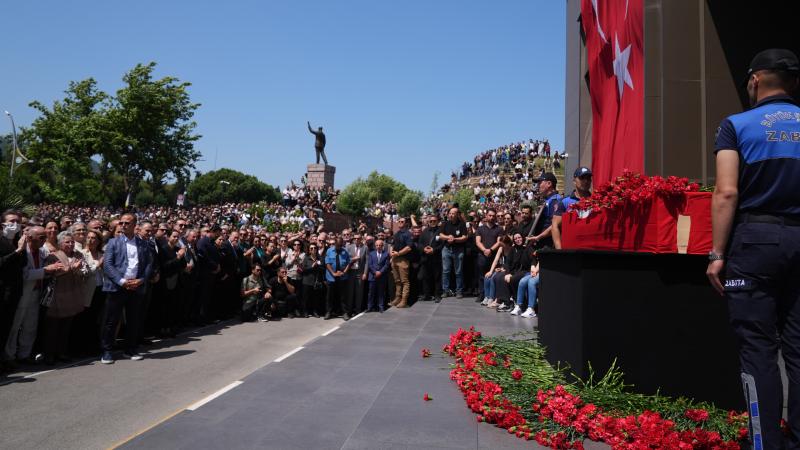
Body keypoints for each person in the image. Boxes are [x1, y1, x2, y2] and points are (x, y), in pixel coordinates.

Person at [706, 48, 800, 450]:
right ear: (793, 82)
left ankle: (765, 443)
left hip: (756, 242)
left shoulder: (737, 125)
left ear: (755, 80)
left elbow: (727, 192)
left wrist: (716, 254)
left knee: (758, 350)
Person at [100, 213, 155, 364]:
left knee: (133, 320)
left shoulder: (144, 244)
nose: (123, 225)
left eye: (127, 223)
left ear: (134, 225)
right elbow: (108, 265)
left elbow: (149, 264)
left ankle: (130, 349)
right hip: (117, 287)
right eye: (121, 223)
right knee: (111, 320)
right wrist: (122, 281)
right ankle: (107, 351)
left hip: (136, 287)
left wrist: (141, 280)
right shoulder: (113, 242)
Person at [4, 226, 61, 364]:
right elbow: (25, 275)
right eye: (41, 238)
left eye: (45, 237)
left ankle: (24, 355)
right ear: (29, 238)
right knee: (15, 326)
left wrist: (54, 268)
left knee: (30, 326)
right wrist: (45, 270)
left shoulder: (42, 251)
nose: (44, 240)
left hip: (36, 293)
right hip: (22, 294)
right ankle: (9, 356)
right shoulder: (22, 251)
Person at [42, 231, 90, 365]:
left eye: (72, 242)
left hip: (72, 294)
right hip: (57, 296)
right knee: (52, 327)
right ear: (60, 243)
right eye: (67, 242)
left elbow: (86, 271)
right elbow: (50, 274)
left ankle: (62, 353)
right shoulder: (53, 256)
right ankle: (49, 355)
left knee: (66, 326)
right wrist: (70, 268)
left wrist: (79, 270)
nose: (71, 244)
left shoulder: (78, 255)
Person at [0, 211, 26, 371]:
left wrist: (21, 249)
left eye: (17, 221)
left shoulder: (18, 241)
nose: (15, 224)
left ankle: (3, 358)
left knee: (7, 327)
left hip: (14, 291)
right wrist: (17, 251)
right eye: (11, 221)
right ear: (3, 223)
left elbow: (23, 264)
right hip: (2, 290)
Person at [552, 167, 593, 249]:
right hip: (570, 249)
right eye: (582, 178)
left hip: (590, 248)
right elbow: (554, 226)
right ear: (574, 181)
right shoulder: (564, 202)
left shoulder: (596, 201)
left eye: (588, 178)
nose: (586, 181)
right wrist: (559, 250)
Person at [475, 209, 503, 301]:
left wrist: (490, 250)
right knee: (481, 276)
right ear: (486, 216)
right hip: (482, 255)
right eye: (490, 215)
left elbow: (499, 242)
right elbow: (478, 241)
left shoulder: (499, 229)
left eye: (493, 216)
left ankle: (491, 295)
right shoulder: (480, 228)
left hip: (494, 255)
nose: (492, 217)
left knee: (493, 275)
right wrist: (484, 250)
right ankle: (482, 294)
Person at [440, 206, 468, 298]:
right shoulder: (445, 224)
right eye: (450, 213)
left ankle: (459, 291)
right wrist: (448, 237)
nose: (451, 215)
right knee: (446, 271)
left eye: (453, 213)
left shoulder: (462, 224)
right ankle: (445, 290)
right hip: (447, 249)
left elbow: (465, 237)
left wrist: (455, 239)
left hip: (458, 250)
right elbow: (441, 235)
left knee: (458, 272)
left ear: (457, 214)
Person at [529, 172, 562, 249]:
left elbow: (554, 226)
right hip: (542, 243)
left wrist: (538, 237)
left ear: (549, 184)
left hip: (548, 245)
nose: (538, 186)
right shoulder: (548, 200)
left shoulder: (555, 201)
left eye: (540, 182)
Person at [389, 217, 413, 309]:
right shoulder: (396, 233)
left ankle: (404, 300)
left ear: (406, 223)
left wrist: (398, 253)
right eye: (399, 221)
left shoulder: (408, 234)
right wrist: (391, 253)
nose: (400, 222)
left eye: (402, 221)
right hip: (395, 259)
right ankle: (398, 298)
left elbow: (409, 247)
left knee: (404, 281)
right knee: (397, 281)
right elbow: (392, 245)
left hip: (403, 259)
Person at [324, 237, 351, 319]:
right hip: (331, 277)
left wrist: (344, 272)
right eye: (337, 245)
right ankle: (329, 312)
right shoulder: (329, 251)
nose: (339, 247)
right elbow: (327, 263)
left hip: (342, 277)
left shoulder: (345, 251)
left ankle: (344, 312)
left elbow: (348, 263)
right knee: (330, 296)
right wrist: (334, 273)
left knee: (343, 296)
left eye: (340, 245)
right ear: (335, 244)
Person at [419, 215, 443, 303]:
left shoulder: (441, 231)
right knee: (425, 277)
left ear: (437, 221)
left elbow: (443, 244)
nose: (432, 222)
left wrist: (434, 250)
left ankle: (437, 295)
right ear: (428, 222)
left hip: (436, 257)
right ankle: (427, 295)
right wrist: (424, 249)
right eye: (431, 221)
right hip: (426, 258)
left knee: (437, 277)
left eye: (434, 221)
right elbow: (420, 243)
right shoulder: (424, 231)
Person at [301, 243, 325, 318]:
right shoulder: (306, 258)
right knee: (306, 298)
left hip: (317, 281)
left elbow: (323, 268)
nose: (313, 249)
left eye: (315, 248)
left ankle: (315, 312)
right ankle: (305, 312)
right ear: (309, 250)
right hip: (307, 281)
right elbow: (303, 270)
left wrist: (318, 266)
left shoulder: (320, 258)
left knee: (316, 298)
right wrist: (312, 267)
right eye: (311, 248)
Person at [367, 239, 390, 312]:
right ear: (375, 246)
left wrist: (380, 272)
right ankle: (369, 307)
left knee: (381, 292)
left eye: (380, 245)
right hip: (372, 276)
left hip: (382, 276)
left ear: (382, 246)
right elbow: (370, 264)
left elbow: (386, 265)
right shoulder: (371, 253)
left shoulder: (386, 254)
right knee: (371, 293)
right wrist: (375, 272)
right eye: (377, 245)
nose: (378, 246)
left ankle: (381, 307)